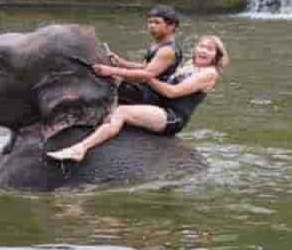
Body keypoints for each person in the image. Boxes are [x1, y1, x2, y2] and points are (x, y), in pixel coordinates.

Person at [47, 35, 229, 163]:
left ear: (216, 56)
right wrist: (122, 64)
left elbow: (172, 92)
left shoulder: (209, 73)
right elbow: (150, 69)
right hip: (158, 106)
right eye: (202, 46)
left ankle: (80, 149)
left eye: (210, 49)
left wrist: (146, 76)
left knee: (122, 112)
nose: (204, 51)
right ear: (195, 48)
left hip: (171, 116)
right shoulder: (190, 65)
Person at [110, 5, 182, 106]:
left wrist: (112, 71)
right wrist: (121, 62)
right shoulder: (157, 44)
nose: (152, 26)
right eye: (150, 22)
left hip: (152, 95)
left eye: (157, 22)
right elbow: (144, 66)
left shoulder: (167, 50)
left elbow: (144, 76)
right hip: (144, 89)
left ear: (171, 26)